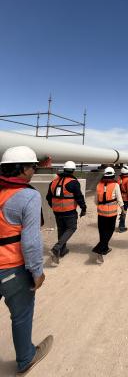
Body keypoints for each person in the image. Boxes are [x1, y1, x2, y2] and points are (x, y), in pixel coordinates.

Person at [0, 146, 53, 375]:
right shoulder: (28, 195)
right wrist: (37, 271)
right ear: (22, 169)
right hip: (12, 268)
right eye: (32, 167)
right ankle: (26, 358)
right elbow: (30, 242)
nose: (33, 171)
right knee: (21, 316)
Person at [46, 161, 86, 264]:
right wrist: (83, 208)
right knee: (71, 228)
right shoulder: (73, 182)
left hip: (57, 211)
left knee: (61, 230)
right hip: (69, 211)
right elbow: (79, 197)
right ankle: (57, 247)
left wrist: (54, 206)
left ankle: (62, 251)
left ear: (64, 170)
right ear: (73, 170)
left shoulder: (54, 182)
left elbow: (48, 197)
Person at [93, 167, 123, 263]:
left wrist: (102, 205)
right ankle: (100, 249)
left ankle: (104, 247)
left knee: (102, 231)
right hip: (111, 213)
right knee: (109, 230)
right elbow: (119, 199)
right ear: (113, 175)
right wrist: (123, 210)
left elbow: (95, 201)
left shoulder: (99, 185)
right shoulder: (115, 185)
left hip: (101, 212)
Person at [117, 165, 128, 232]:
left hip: (120, 197)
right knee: (124, 212)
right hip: (125, 198)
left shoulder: (119, 179)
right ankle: (121, 227)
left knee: (122, 211)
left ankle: (120, 225)